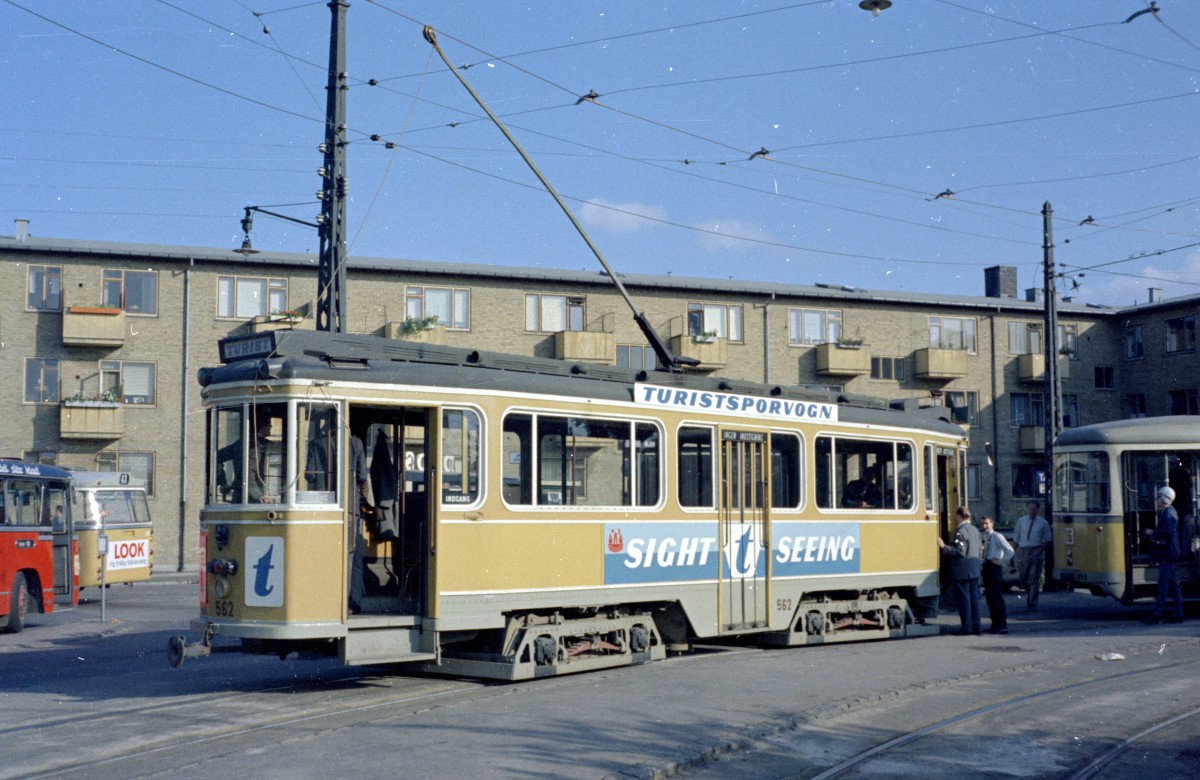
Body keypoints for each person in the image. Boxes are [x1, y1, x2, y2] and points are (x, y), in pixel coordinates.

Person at [1142, 486, 1184, 624]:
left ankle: (1157, 615)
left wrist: (1152, 533)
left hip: (1167, 553)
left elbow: (1167, 532)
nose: (1156, 499)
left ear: (1165, 498)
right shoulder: (1168, 512)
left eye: (1159, 496)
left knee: (1163, 585)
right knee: (1173, 585)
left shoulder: (1168, 514)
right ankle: (1178, 614)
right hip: (1170, 553)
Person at [938, 506, 982, 636]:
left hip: (962, 571)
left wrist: (943, 546)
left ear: (959, 516)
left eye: (955, 515)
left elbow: (959, 552)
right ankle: (977, 626)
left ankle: (966, 627)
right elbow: (980, 550)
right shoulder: (975, 530)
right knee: (974, 599)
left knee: (964, 600)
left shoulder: (960, 532)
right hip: (974, 569)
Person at [1013, 500, 1052, 612]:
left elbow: (1048, 539)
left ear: (1037, 510)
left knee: (1034, 578)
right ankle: (1031, 592)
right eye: (1030, 509)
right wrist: (1013, 552)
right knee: (1023, 578)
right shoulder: (1021, 521)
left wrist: (1040, 548)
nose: (1032, 511)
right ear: (1027, 509)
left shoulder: (1043, 523)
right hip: (1023, 550)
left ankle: (1032, 603)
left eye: (1034, 509)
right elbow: (1016, 537)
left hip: (1036, 550)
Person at [980, 515, 1013, 634]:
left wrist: (1001, 562)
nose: (984, 526)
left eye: (986, 524)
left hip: (995, 567)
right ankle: (995, 625)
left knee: (997, 598)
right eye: (983, 524)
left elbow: (1010, 550)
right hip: (987, 566)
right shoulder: (986, 537)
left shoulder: (997, 536)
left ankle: (1002, 625)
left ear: (992, 524)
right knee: (990, 598)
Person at [348, 428, 369, 615]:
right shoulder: (355, 443)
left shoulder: (317, 442)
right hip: (351, 508)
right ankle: (353, 601)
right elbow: (362, 475)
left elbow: (311, 476)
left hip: (325, 507)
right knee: (354, 558)